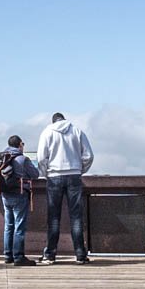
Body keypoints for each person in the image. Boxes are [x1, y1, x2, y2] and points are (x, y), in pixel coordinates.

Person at [36, 112, 95, 264]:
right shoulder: (77, 131)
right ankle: (80, 255)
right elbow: (88, 156)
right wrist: (80, 169)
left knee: (53, 217)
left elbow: (41, 158)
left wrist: (46, 173)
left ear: (53, 121)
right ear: (64, 119)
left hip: (54, 176)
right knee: (76, 217)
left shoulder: (47, 132)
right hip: (74, 176)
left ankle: (50, 255)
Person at [0, 135, 41, 266]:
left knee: (8, 226)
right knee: (19, 227)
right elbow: (35, 175)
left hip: (5, 195)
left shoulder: (1, 157)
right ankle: (18, 256)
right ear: (20, 145)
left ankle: (7, 255)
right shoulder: (23, 159)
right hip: (20, 194)